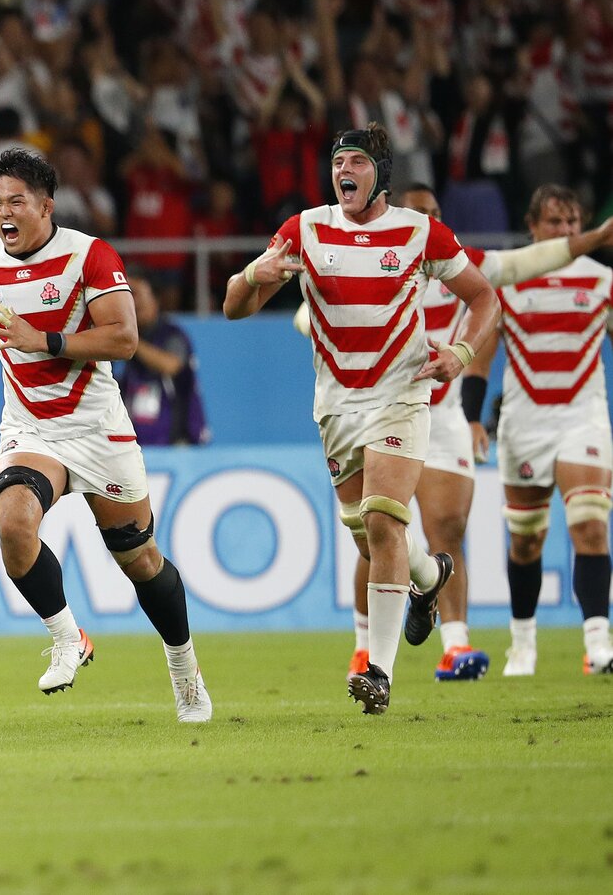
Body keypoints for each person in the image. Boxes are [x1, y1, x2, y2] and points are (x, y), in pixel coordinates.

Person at [225, 123, 499, 715]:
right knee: (376, 540)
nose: (343, 171)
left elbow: (485, 298)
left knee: (382, 520)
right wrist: (254, 276)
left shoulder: (420, 233)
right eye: (337, 161)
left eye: (356, 161)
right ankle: (428, 579)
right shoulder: (305, 229)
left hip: (400, 396)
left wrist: (461, 352)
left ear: (381, 176)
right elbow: (232, 307)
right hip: (335, 406)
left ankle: (378, 672)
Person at [296, 183, 613, 682]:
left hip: (436, 412)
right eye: (419, 212)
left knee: (441, 527)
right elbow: (304, 313)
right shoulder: (367, 262)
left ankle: (456, 645)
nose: (428, 221)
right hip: (373, 404)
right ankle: (367, 641)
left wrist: (594, 240)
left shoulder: (453, 262)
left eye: (436, 213)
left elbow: (520, 266)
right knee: (372, 532)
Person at [0, 147, 212, 723]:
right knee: (12, 522)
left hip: (97, 429)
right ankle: (68, 636)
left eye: (16, 201)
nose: (2, 212)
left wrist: (40, 339)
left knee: (140, 560)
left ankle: (183, 666)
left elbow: (122, 339)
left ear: (46, 206)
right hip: (30, 426)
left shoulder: (89, 256)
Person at [479, 185, 613, 677]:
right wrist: (475, 416)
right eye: (555, 222)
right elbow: (483, 352)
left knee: (590, 525)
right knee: (526, 542)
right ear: (533, 227)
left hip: (583, 416)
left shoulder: (602, 280)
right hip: (524, 421)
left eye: (574, 222)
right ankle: (523, 644)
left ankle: (598, 643)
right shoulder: (508, 281)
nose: (566, 231)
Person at [117, 273, 209, 446]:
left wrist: (130, 342)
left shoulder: (173, 335)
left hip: (178, 443)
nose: (130, 301)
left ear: (155, 298)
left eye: (135, 293)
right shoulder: (127, 339)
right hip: (137, 444)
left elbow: (171, 365)